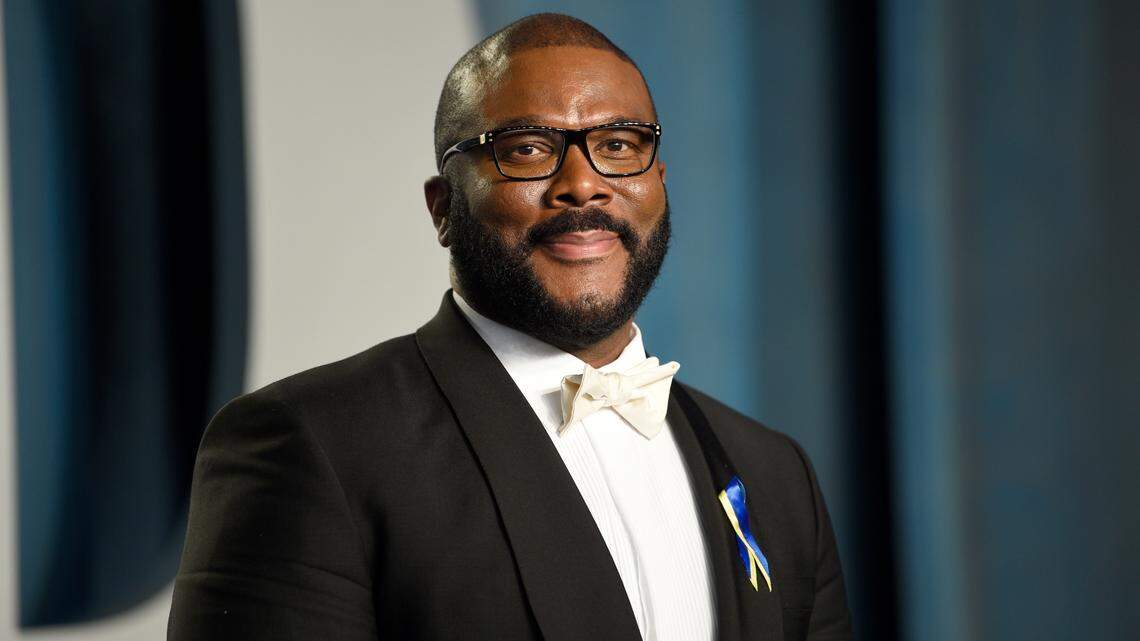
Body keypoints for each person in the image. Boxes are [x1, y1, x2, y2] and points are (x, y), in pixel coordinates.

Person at [168, 13, 852, 641]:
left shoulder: (774, 473)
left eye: (618, 144)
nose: (584, 184)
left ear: (660, 183)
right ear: (442, 208)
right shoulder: (311, 444)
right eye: (526, 149)